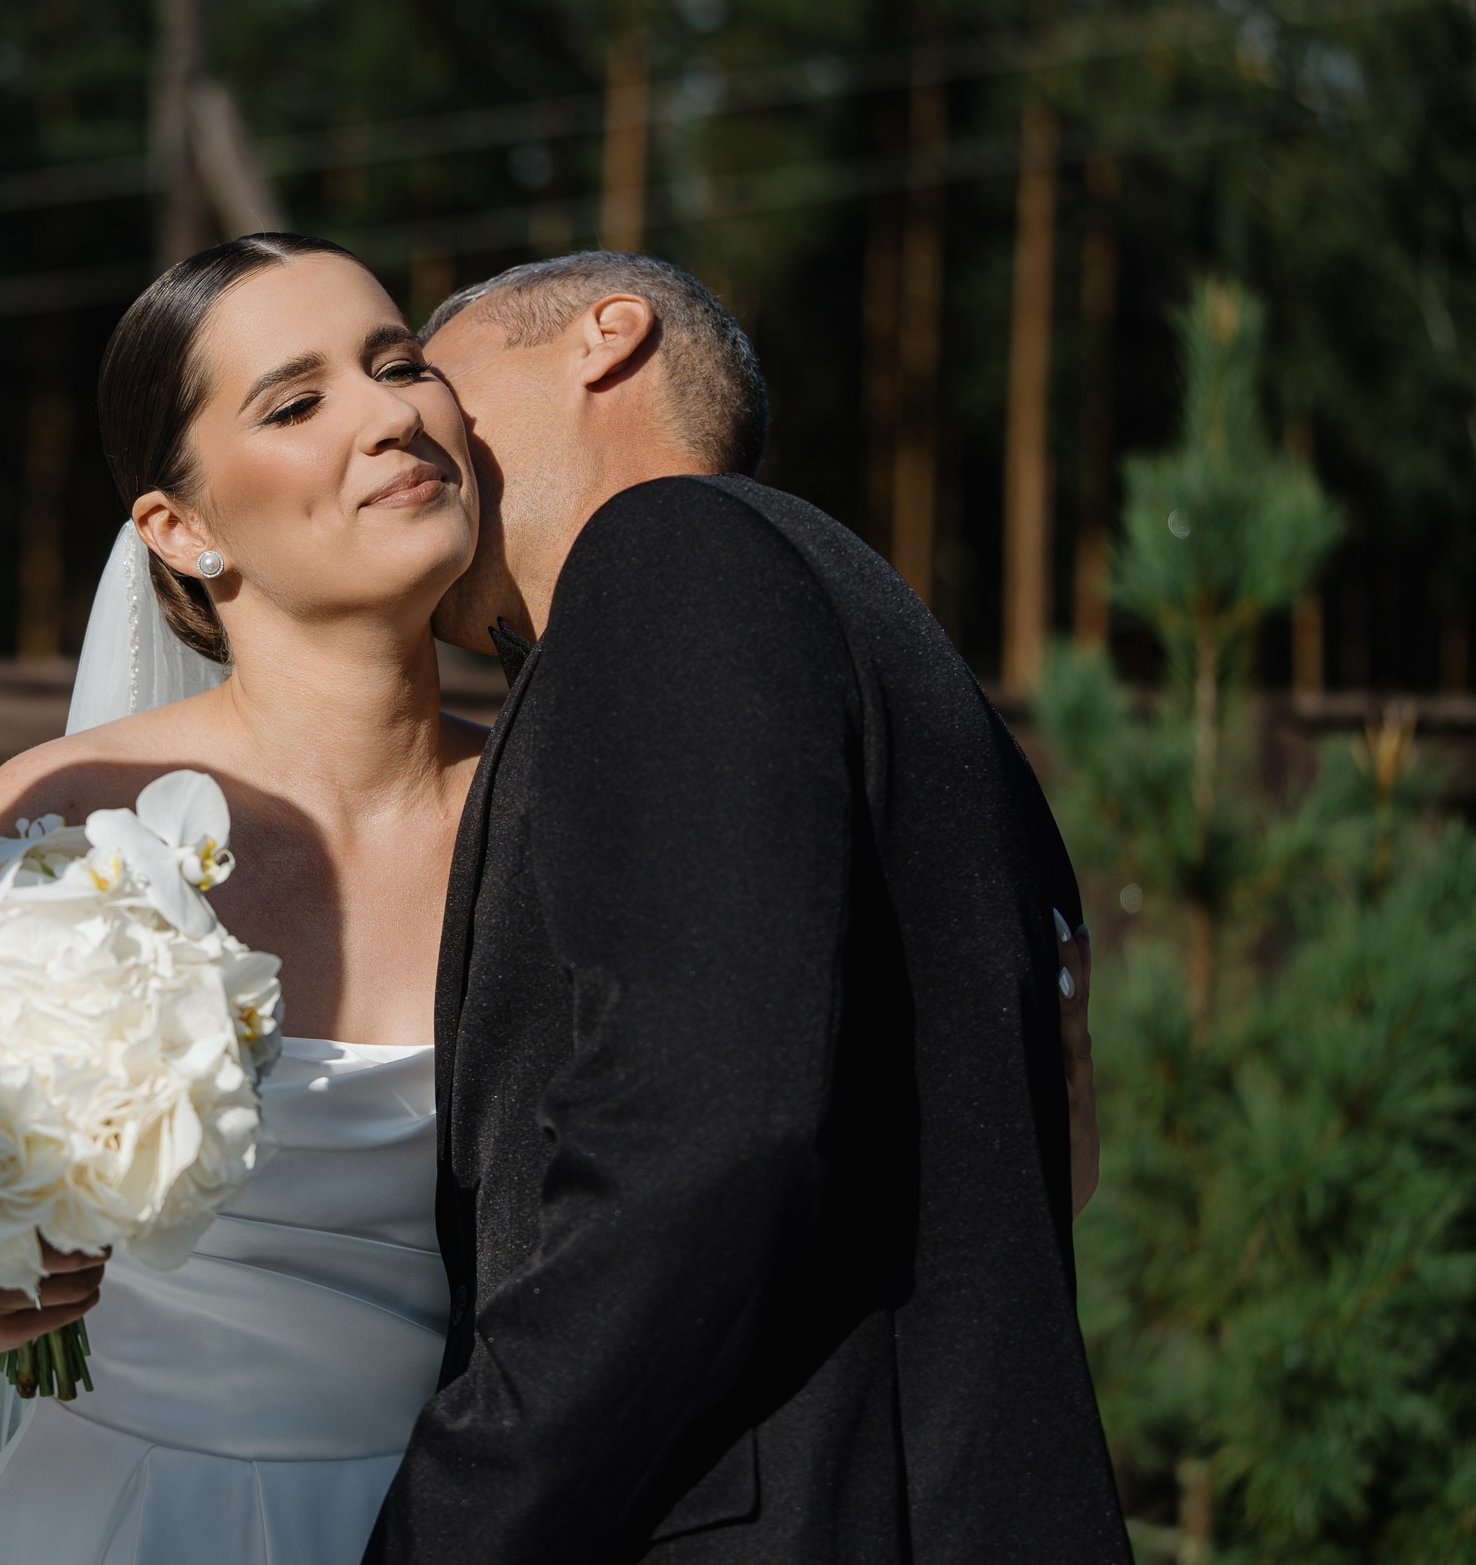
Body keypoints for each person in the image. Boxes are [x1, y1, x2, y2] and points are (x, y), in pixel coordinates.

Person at [363, 251, 1126, 1562]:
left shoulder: (673, 555)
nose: (409, 422)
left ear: (607, 337)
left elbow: (703, 1129)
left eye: (432, 369)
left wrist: (449, 1523)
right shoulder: (872, 640)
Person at [0, 234, 483, 1564]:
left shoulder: (561, 807)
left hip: (472, 1520)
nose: (395, 413)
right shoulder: (60, 825)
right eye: (296, 405)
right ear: (181, 531)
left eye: (399, 362)